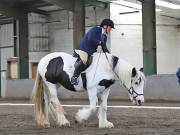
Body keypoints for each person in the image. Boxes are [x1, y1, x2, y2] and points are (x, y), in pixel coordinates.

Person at [71, 18, 115, 85]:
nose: (110, 29)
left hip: (91, 52)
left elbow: (104, 47)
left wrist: (109, 56)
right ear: (105, 26)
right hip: (83, 49)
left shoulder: (104, 36)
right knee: (84, 61)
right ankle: (74, 77)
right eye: (110, 27)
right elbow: (90, 38)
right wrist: (99, 42)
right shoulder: (96, 29)